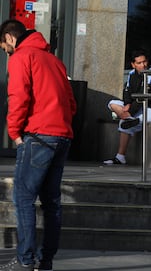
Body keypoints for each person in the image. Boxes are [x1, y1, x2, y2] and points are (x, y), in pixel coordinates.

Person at [0, 19, 76, 271]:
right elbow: (71, 103)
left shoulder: (22, 57)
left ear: (10, 38)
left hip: (38, 136)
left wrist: (14, 133)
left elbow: (18, 96)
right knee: (52, 202)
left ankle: (25, 261)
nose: (5, 51)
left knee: (23, 198)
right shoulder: (54, 61)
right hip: (61, 136)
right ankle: (46, 261)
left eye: (4, 46)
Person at [103, 49, 151, 165]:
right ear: (133, 64)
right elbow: (127, 91)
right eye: (139, 63)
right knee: (112, 103)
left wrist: (130, 111)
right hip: (136, 107)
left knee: (125, 124)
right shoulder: (132, 74)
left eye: (144, 62)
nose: (143, 65)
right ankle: (128, 118)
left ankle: (120, 156)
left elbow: (143, 95)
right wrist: (127, 104)